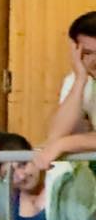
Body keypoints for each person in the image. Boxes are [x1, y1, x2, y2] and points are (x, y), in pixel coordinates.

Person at [35, 11, 96, 170]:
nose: (94, 60)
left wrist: (65, 144)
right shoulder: (78, 80)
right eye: (87, 53)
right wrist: (80, 80)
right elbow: (56, 135)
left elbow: (60, 142)